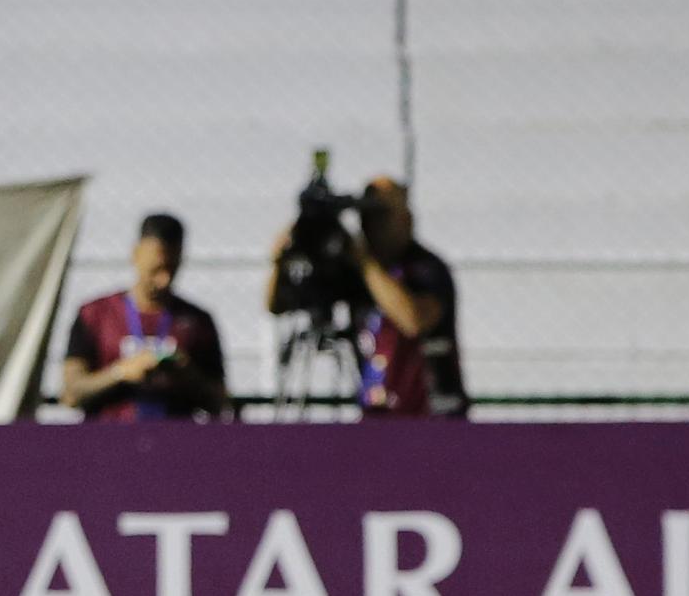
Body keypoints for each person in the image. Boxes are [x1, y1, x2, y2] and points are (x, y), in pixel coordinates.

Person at [266, 176, 467, 418]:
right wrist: (280, 262)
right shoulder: (358, 275)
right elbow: (277, 305)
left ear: (406, 220)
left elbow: (413, 321)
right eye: (366, 217)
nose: (372, 226)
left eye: (381, 216)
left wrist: (364, 263)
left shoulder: (426, 269)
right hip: (377, 415)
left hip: (432, 417)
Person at [61, 214, 230, 421]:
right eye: (156, 270)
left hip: (175, 436)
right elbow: (71, 394)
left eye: (172, 269)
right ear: (136, 255)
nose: (164, 280)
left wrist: (187, 374)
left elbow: (219, 401)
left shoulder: (197, 321)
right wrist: (121, 373)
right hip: (109, 435)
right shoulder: (95, 314)